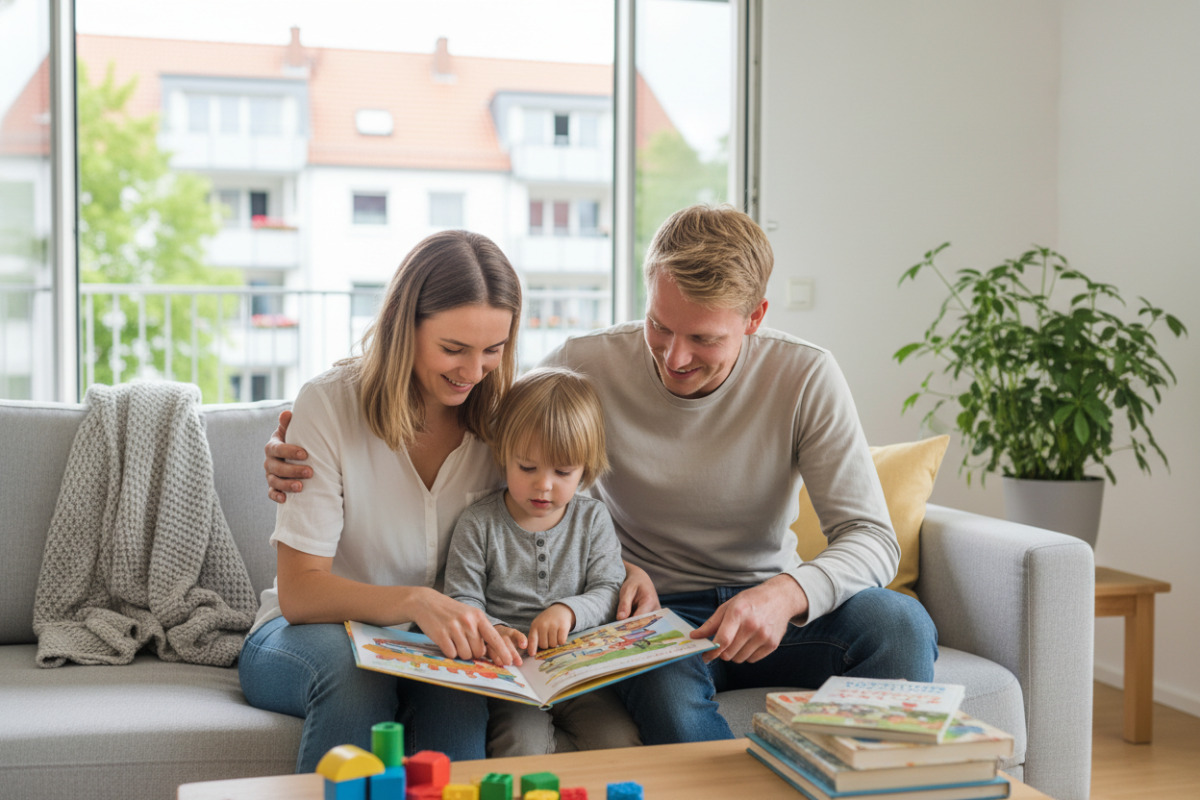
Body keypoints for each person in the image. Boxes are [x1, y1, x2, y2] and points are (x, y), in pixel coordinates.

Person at [264, 205, 938, 748]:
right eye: (659, 326)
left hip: (765, 601)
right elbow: (517, 421)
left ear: (755, 319)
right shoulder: (585, 365)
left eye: (704, 339)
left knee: (900, 624)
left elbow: (872, 538)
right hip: (654, 615)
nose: (674, 357)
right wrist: (289, 445)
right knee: (667, 698)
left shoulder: (804, 375)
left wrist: (787, 593)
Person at [239, 229, 526, 772]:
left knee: (461, 693)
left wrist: (623, 569)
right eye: (453, 349)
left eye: (494, 349)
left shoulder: (507, 419)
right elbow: (301, 593)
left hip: (430, 646)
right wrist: (416, 602)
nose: (474, 372)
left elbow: (565, 506)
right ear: (403, 328)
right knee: (356, 679)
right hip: (307, 635)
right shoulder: (329, 404)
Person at [442, 366, 627, 755]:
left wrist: (569, 611)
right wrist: (495, 631)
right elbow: (463, 599)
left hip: (581, 672)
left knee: (617, 741)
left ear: (586, 468)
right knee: (519, 745)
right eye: (527, 467)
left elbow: (610, 589)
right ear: (502, 455)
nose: (544, 485)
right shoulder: (478, 523)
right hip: (510, 675)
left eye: (563, 472)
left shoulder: (592, 519)